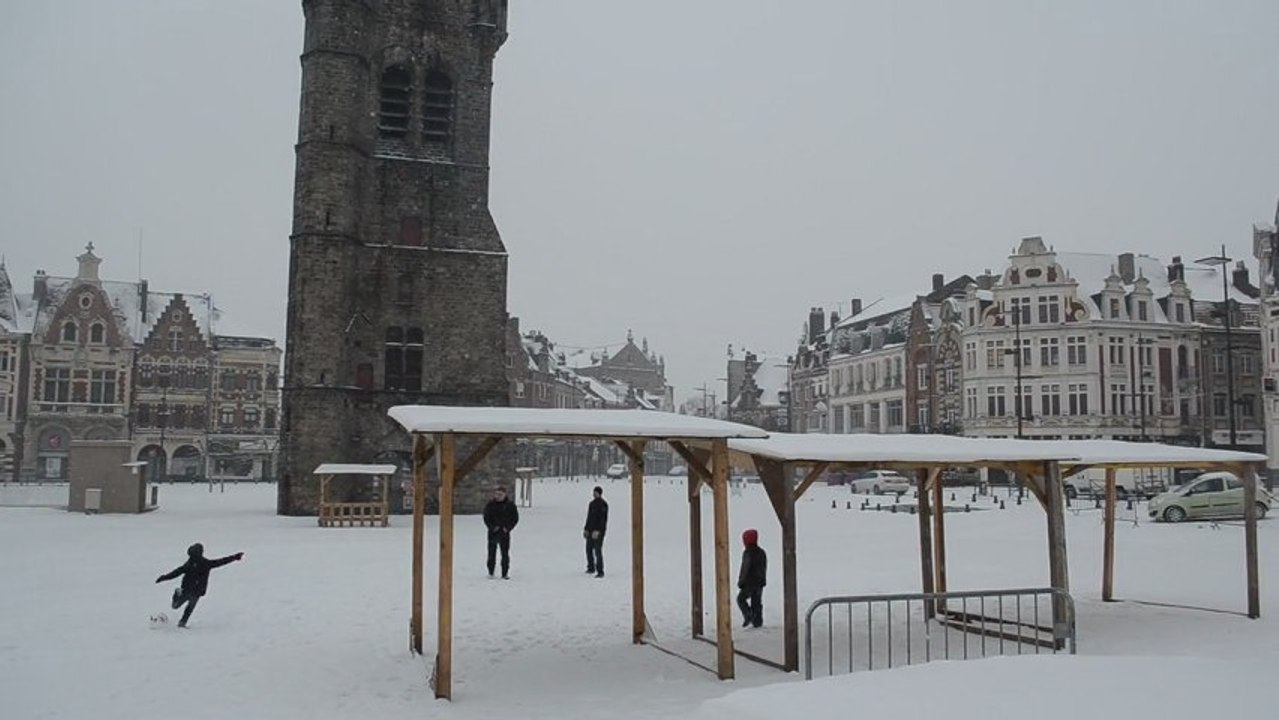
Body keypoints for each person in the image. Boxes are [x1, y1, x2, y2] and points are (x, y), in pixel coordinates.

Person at [155, 543, 244, 627]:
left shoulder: (205, 563)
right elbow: (177, 572)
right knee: (176, 606)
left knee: (190, 607)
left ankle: (182, 622)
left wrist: (234, 557)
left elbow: (221, 561)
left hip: (197, 591)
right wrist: (164, 577)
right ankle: (177, 594)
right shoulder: (189, 564)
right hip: (188, 589)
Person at [483, 485, 519, 579]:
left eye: (500, 494)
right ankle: (491, 572)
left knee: (505, 553)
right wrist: (492, 527)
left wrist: (507, 528)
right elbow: (486, 518)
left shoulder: (510, 505)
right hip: (493, 532)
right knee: (491, 553)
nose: (498, 496)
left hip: (504, 533)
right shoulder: (490, 505)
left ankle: (505, 573)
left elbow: (515, 519)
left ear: (504, 494)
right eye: (496, 494)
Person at [736, 528, 766, 628]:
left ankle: (748, 615)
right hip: (759, 582)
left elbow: (745, 568)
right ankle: (758, 621)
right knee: (756, 602)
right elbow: (764, 567)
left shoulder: (748, 553)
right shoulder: (761, 552)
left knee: (740, 599)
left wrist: (741, 581)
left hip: (749, 582)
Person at [583, 485, 609, 577]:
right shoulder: (591, 504)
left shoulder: (603, 504)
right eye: (593, 492)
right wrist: (586, 529)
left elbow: (603, 520)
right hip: (590, 530)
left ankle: (600, 571)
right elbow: (589, 517)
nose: (594, 494)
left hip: (599, 532)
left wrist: (598, 531)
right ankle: (591, 567)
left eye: (596, 492)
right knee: (588, 549)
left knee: (598, 551)